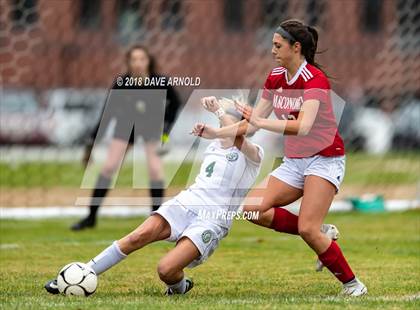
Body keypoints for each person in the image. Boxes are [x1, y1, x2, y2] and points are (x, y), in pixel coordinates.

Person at [191, 20, 367, 297]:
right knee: (251, 209)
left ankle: (353, 285)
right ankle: (322, 233)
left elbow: (303, 126)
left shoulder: (314, 80)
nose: (272, 50)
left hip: (324, 159)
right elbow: (251, 125)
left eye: (277, 45)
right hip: (296, 161)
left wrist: (259, 120)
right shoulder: (275, 76)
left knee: (307, 229)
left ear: (296, 47)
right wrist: (216, 131)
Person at [45, 97, 264, 295]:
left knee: (166, 270)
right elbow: (226, 135)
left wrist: (218, 111)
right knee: (136, 237)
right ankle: (84, 271)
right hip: (186, 202)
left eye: (233, 117)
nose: (225, 120)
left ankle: (179, 287)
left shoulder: (254, 153)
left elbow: (236, 137)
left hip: (212, 218)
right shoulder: (215, 144)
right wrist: (218, 120)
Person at [71, 45, 182, 231]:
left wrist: (165, 131)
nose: (138, 63)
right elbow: (107, 113)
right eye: (134, 59)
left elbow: (176, 104)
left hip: (151, 127)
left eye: (142, 59)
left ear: (149, 61)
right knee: (108, 167)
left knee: (155, 170)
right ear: (128, 63)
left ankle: (156, 221)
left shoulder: (160, 81)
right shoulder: (121, 83)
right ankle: (91, 217)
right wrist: (92, 142)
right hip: (126, 126)